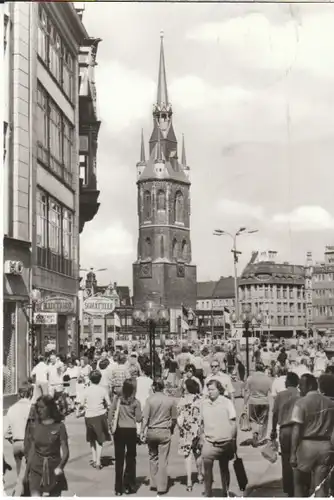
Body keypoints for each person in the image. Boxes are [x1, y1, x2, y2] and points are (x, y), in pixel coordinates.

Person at [290, 373, 334, 497]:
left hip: (307, 445)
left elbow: (296, 430)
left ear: (309, 386)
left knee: (299, 483)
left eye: (301, 386)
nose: (299, 388)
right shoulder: (330, 403)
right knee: (320, 485)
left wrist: (293, 454)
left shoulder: (301, 403)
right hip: (325, 446)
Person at [24, 395, 69, 497]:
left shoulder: (60, 426)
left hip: (54, 468)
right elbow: (32, 451)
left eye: (42, 407)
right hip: (36, 468)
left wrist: (60, 467)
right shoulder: (35, 426)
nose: (39, 410)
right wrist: (26, 473)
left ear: (50, 408)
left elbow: (66, 452)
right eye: (38, 407)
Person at [200, 379, 237, 497]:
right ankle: (208, 493)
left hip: (224, 442)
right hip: (209, 442)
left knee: (224, 469)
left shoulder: (227, 402)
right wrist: (202, 437)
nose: (210, 392)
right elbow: (201, 424)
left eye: (212, 389)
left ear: (219, 390)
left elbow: (233, 423)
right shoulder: (204, 404)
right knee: (207, 471)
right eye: (208, 389)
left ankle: (225, 493)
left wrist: (233, 440)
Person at [141, 378, 177, 495]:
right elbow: (174, 418)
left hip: (152, 431)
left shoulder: (149, 400)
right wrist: (171, 429)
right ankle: (162, 486)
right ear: (163, 387)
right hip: (164, 430)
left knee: (153, 457)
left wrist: (142, 431)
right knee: (163, 459)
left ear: (153, 387)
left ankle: (153, 483)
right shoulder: (170, 400)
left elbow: (145, 418)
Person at [110, 379, 142, 495]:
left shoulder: (118, 399)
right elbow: (138, 418)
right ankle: (129, 484)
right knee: (131, 458)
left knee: (119, 459)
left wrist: (110, 426)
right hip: (131, 431)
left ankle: (118, 488)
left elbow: (111, 412)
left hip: (119, 430)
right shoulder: (135, 402)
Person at [270, 372, 300, 497]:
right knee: (298, 458)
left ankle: (288, 488)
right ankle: (298, 485)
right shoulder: (301, 395)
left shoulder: (280, 395)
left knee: (286, 459)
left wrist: (273, 430)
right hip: (298, 429)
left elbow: (275, 414)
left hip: (284, 430)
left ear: (288, 382)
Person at [177, 378, 203, 491]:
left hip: (185, 430)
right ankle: (200, 474)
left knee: (187, 456)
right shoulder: (199, 399)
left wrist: (180, 426)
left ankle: (188, 481)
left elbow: (178, 416)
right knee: (198, 454)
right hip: (196, 429)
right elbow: (202, 415)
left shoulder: (182, 400)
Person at [83, 370, 111, 470]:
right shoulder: (103, 390)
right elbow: (108, 403)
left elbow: (81, 404)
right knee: (100, 439)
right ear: (99, 379)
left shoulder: (86, 390)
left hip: (89, 415)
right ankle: (98, 461)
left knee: (92, 438)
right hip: (100, 415)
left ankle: (94, 458)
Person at [4, 384, 33, 477]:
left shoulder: (12, 408)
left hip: (16, 444)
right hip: (30, 443)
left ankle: (21, 489)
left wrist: (13, 440)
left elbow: (7, 432)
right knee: (32, 473)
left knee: (19, 473)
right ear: (30, 393)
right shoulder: (32, 408)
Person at [244, 362, 272, 446]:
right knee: (262, 421)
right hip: (264, 401)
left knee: (253, 419)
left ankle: (255, 433)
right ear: (263, 369)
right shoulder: (268, 379)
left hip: (253, 401)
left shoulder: (250, 378)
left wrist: (245, 404)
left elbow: (247, 392)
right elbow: (271, 391)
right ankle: (261, 438)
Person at [135, 367, 153, 439]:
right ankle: (144, 434)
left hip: (137, 400)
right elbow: (151, 393)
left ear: (143, 371)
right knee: (146, 418)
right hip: (146, 401)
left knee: (138, 418)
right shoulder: (150, 381)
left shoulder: (137, 379)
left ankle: (138, 432)